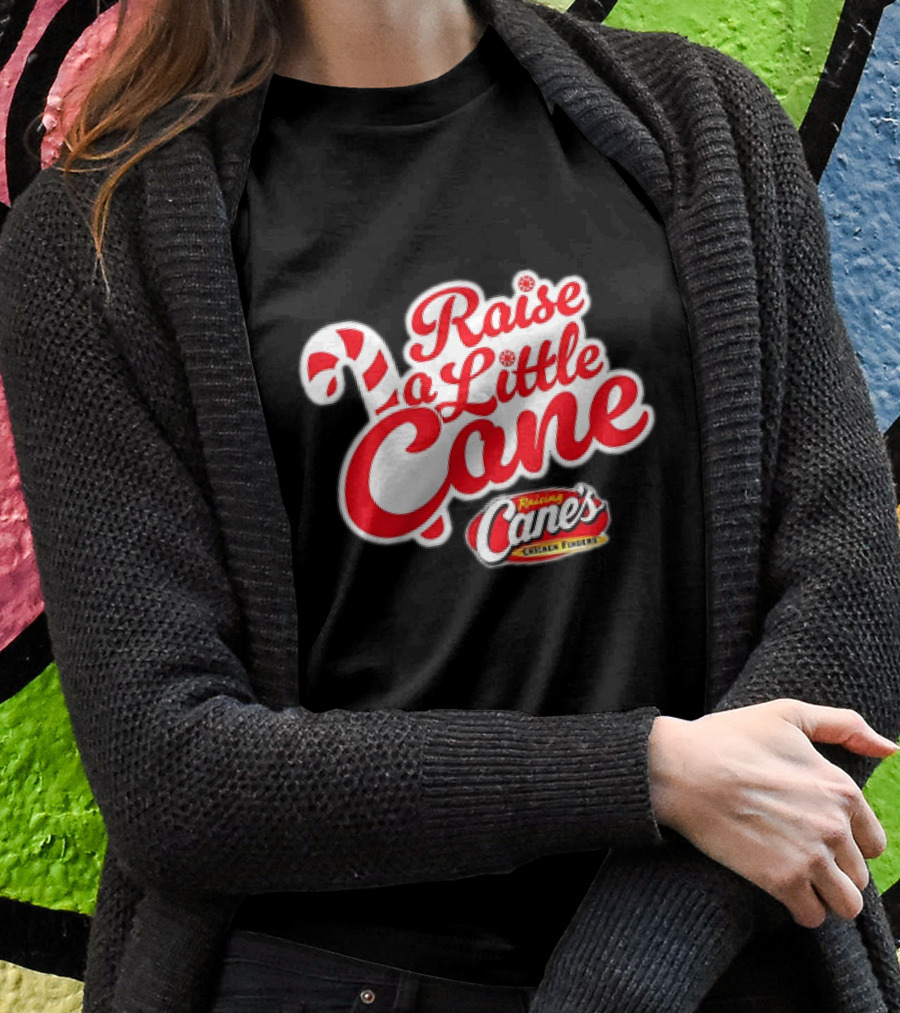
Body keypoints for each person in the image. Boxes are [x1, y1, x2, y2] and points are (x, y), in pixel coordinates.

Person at [0, 0, 899, 1010]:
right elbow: (174, 773)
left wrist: (628, 970)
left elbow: (852, 601)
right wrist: (648, 772)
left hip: (711, 966)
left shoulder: (703, 128)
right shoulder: (101, 239)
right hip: (341, 980)